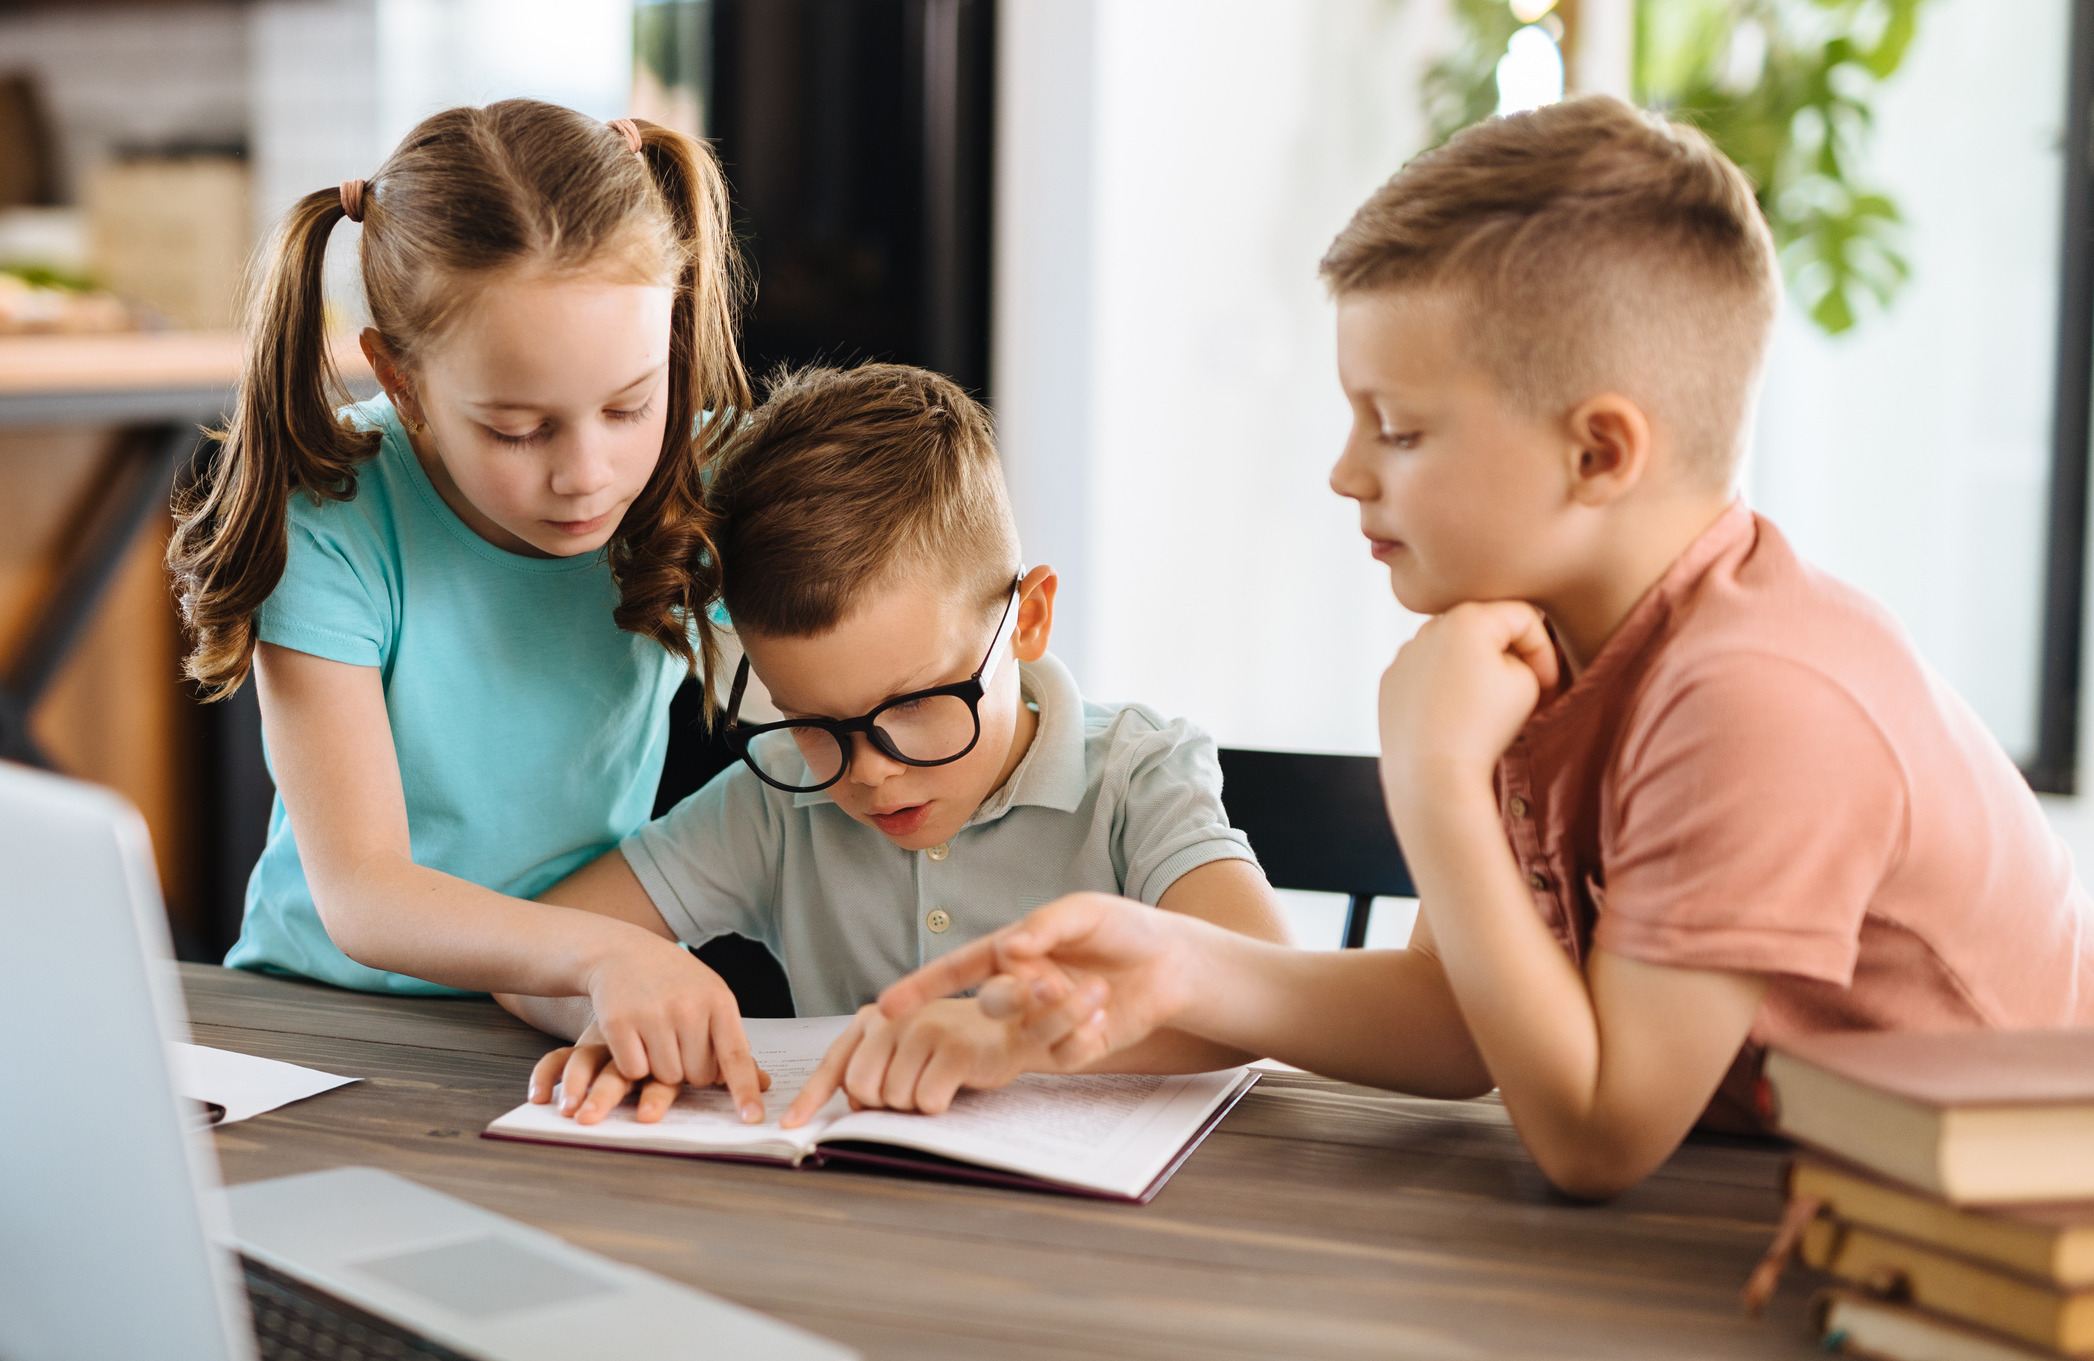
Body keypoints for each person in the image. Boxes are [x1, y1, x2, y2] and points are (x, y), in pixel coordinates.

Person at [815, 94, 2094, 1198]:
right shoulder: (1538, 642)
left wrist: (1430, 786)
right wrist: (1177, 967)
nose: (1345, 470)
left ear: (1599, 452)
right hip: (1787, 1211)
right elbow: (1461, 1023)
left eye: (1401, 429)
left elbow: (1597, 1136)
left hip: (2008, 1251)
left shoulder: (1754, 697)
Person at [167, 99, 772, 1116]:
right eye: (519, 429)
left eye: (629, 404)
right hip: (317, 1020)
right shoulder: (333, 512)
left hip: (553, 1002)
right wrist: (609, 952)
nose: (589, 474)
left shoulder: (699, 478)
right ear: (402, 383)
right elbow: (364, 892)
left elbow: (826, 737)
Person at [507, 363, 1291, 1125]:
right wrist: (622, 1002)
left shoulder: (1137, 775)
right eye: (815, 722)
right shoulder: (780, 795)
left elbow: (1267, 994)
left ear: (1027, 620)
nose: (873, 775)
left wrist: (1018, 1042)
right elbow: (525, 959)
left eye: (917, 704)